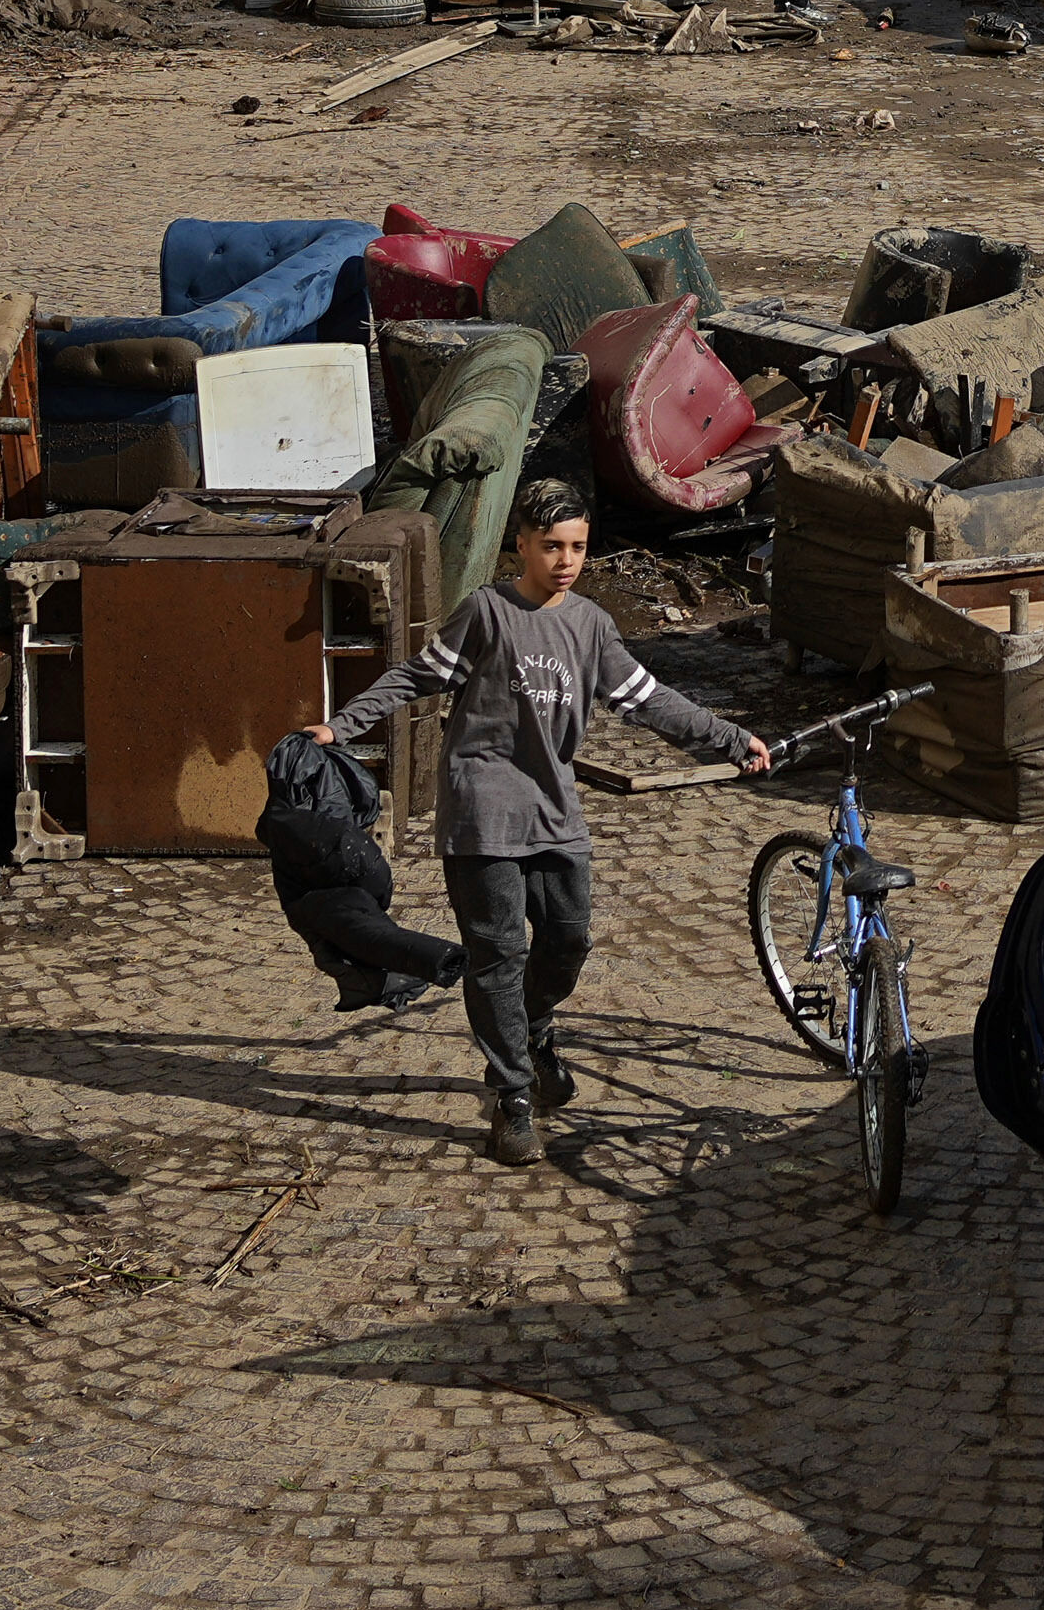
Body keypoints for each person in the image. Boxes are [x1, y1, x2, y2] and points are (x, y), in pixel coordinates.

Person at [319, 487, 768, 1164]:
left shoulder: (590, 626)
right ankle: (512, 1099)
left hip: (554, 810)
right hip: (481, 810)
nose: (566, 561)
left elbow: (650, 701)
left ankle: (532, 1030)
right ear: (522, 544)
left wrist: (730, 738)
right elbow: (414, 679)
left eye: (579, 547)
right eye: (552, 546)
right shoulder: (488, 612)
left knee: (569, 939)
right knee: (499, 955)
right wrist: (339, 726)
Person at [253, 720, 457, 1013]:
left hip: (327, 885)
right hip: (342, 883)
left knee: (337, 930)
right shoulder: (324, 825)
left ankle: (395, 974)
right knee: (350, 930)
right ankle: (402, 972)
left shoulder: (291, 822)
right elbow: (375, 877)